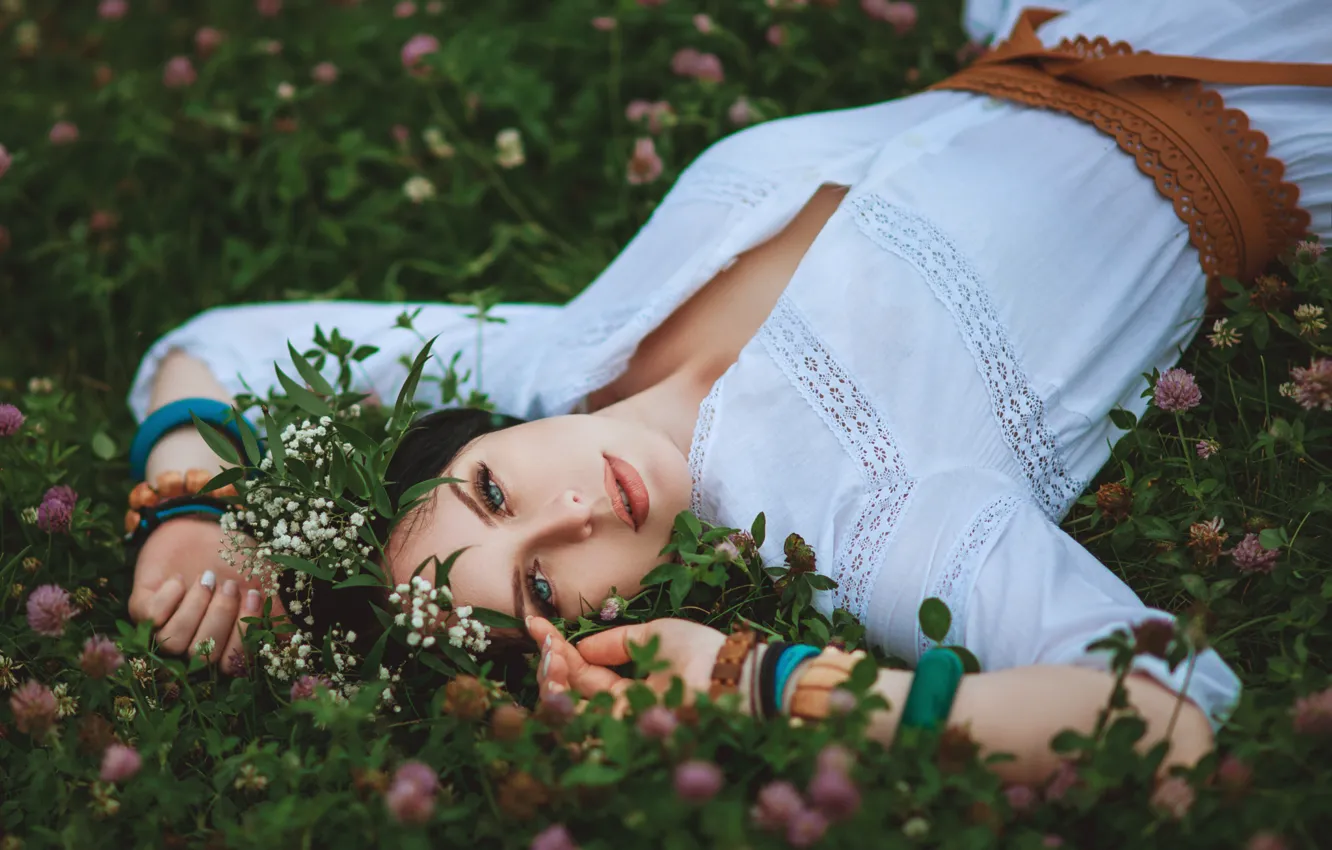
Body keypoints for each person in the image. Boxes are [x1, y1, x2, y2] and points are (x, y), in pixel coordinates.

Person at [125, 0, 1330, 774]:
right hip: (1290, 97)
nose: (575, 510)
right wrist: (758, 680)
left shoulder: (553, 361)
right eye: (546, 577)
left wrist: (194, 504)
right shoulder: (880, 527)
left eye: (493, 489)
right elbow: (1166, 708)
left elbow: (216, 344)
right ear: (593, 638)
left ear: (480, 438)